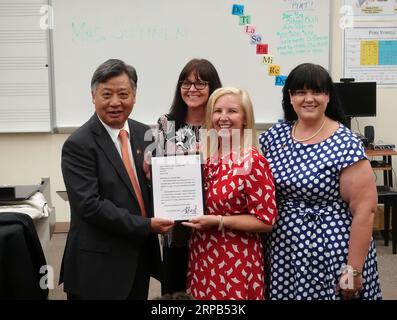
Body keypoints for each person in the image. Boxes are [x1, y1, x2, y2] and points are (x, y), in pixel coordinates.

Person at [259, 63, 382, 300]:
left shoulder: (345, 142)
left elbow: (365, 210)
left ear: (328, 97)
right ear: (290, 97)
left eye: (317, 92)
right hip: (284, 250)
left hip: (332, 250)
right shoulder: (275, 137)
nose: (309, 99)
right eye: (300, 92)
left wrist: (353, 270)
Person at [60, 59, 174, 300]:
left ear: (134, 96)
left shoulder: (146, 135)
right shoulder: (78, 144)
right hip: (98, 265)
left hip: (138, 258)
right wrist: (146, 226)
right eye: (106, 94)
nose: (115, 102)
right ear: (93, 96)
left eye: (123, 94)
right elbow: (90, 206)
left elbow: (156, 188)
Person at [182, 87, 278, 300]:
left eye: (232, 111)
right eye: (217, 111)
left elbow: (266, 221)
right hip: (202, 253)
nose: (223, 118)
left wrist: (219, 221)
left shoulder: (253, 161)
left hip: (235, 258)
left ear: (245, 118)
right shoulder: (205, 156)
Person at [156, 58, 222, 294]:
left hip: (213, 222)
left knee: (209, 288)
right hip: (175, 225)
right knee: (175, 289)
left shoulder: (221, 124)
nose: (192, 89)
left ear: (213, 88)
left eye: (200, 83)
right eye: (186, 83)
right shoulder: (167, 123)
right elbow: (162, 170)